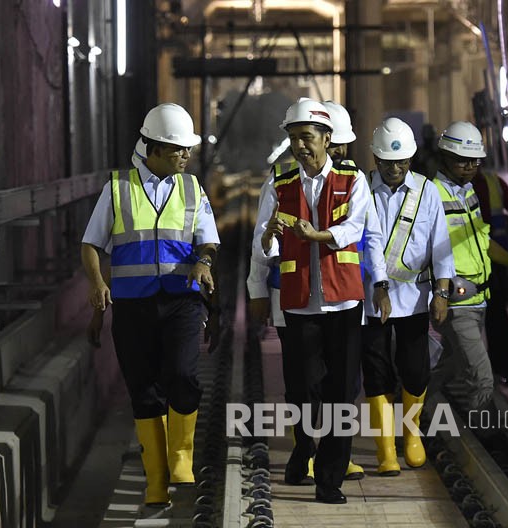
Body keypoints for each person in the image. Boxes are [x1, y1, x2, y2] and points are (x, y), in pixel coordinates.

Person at [81, 103, 220, 507]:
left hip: (182, 303)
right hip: (133, 308)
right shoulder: (118, 188)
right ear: (153, 150)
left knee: (182, 375)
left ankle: (180, 458)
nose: (185, 156)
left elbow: (207, 239)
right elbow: (91, 244)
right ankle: (156, 482)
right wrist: (96, 286)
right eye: (177, 150)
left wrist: (203, 262)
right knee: (144, 392)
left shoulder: (192, 188)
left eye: (186, 150)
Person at [252, 98, 390, 504]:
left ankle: (329, 479)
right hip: (298, 303)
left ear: (327, 139)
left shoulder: (353, 181)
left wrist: (319, 236)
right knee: (302, 388)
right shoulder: (279, 184)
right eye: (293, 137)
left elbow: (358, 228)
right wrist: (258, 283)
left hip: (344, 302)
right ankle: (303, 446)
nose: (300, 145)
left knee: (342, 393)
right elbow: (262, 242)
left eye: (306, 137)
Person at [429, 121, 508, 458]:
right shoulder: (432, 194)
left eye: (474, 161)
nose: (469, 166)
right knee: (482, 377)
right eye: (462, 160)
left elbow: (482, 239)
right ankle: (491, 445)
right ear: (445, 157)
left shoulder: (469, 191)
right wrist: (441, 295)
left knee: (447, 366)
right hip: (456, 301)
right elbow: (427, 248)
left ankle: (413, 407)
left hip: (480, 297)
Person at [361, 118, 455, 476]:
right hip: (370, 299)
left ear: (412, 159)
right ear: (375, 159)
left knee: (415, 371)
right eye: (388, 162)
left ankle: (411, 434)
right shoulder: (362, 189)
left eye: (402, 163)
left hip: (415, 295)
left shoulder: (426, 191)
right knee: (376, 371)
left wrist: (442, 292)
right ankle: (385, 448)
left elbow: (441, 246)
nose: (395, 169)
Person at [471, 169, 508, 385]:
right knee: (474, 319)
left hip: (495, 261)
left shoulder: (494, 182)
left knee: (495, 316)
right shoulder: (449, 186)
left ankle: (501, 370)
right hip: (469, 261)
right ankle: (494, 371)